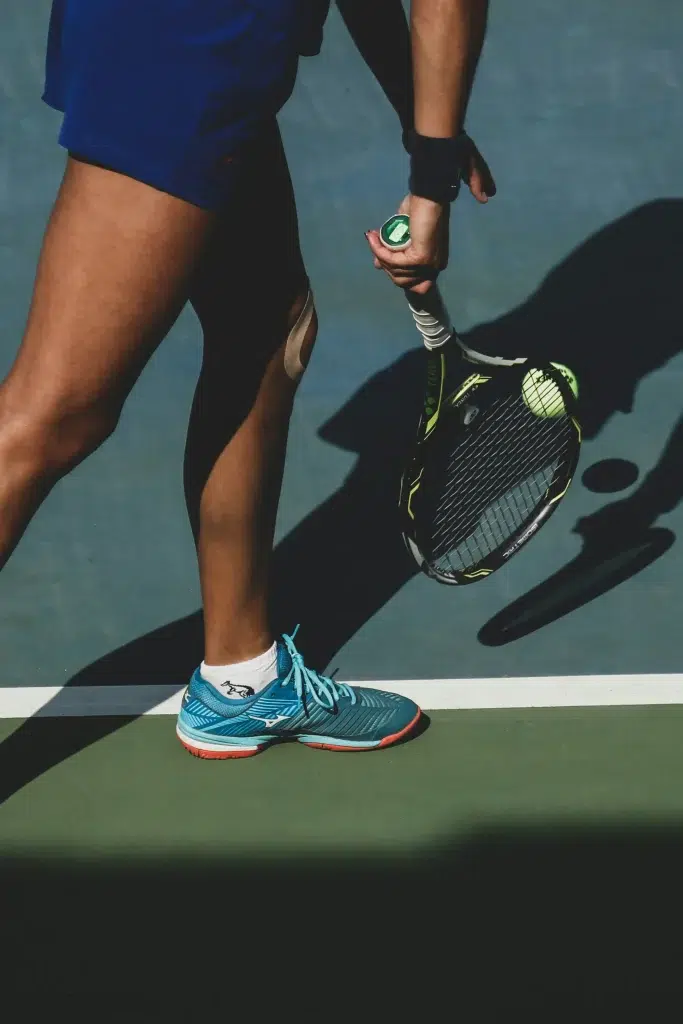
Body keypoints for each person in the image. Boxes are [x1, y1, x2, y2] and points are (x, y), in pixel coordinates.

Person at [2, 0, 493, 758]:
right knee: (53, 415)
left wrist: (420, 120)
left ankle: (242, 678)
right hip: (191, 43)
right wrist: (431, 181)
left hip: (181, 34)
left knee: (268, 329)